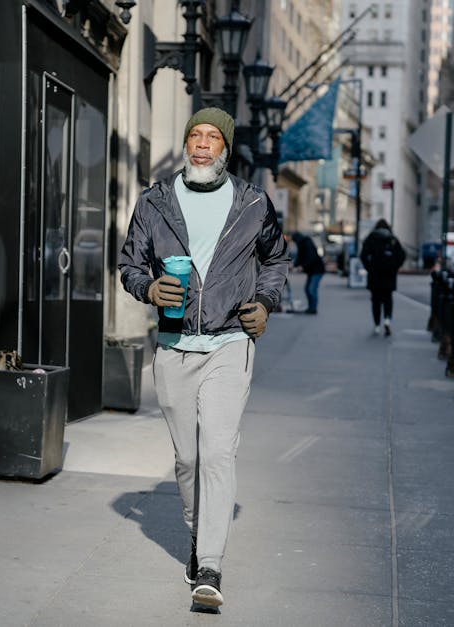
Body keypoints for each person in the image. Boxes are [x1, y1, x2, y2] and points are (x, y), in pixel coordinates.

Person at [118, 107, 289, 609]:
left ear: (225, 149)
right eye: (195, 134)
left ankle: (210, 565)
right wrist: (148, 287)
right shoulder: (155, 201)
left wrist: (264, 303)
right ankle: (197, 535)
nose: (202, 144)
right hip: (173, 345)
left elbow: (276, 259)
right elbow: (129, 263)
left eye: (213, 137)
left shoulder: (253, 202)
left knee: (217, 451)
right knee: (188, 458)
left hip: (229, 340)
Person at [360, 219, 406, 336]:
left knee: (375, 301)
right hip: (389, 275)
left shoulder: (371, 238)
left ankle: (376, 325)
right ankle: (387, 319)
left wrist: (369, 267)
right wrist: (394, 267)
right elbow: (401, 255)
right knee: (388, 299)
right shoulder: (392, 239)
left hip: (375, 275)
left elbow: (363, 255)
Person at [290, 232, 326, 314]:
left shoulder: (307, 243)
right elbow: (300, 256)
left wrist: (302, 266)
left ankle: (313, 309)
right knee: (307, 289)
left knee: (312, 289)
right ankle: (310, 307)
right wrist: (295, 265)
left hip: (317, 269)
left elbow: (311, 257)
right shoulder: (301, 244)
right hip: (312, 270)